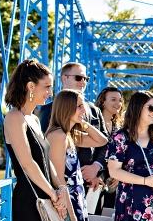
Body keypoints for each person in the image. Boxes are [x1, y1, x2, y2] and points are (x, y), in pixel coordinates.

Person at [3, 59, 68, 221]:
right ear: (30, 86)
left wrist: (60, 189)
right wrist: (53, 194)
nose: (50, 92)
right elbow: (28, 163)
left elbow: (46, 160)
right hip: (29, 202)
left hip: (44, 196)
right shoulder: (14, 117)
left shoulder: (33, 119)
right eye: (47, 87)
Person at [105, 91, 153, 221]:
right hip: (131, 200)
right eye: (151, 108)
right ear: (137, 108)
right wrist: (145, 181)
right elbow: (114, 171)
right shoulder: (120, 137)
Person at [39, 62, 108, 197]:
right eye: (78, 78)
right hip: (64, 186)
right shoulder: (50, 113)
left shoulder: (93, 110)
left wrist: (96, 168)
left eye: (86, 79)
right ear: (64, 78)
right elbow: (44, 148)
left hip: (89, 182)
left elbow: (105, 141)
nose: (83, 82)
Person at [45, 89, 109, 221]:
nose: (84, 110)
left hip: (77, 198)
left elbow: (102, 141)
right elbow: (59, 179)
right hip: (68, 203)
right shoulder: (58, 135)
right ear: (66, 108)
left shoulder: (69, 135)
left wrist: (83, 123)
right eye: (79, 106)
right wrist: (71, 216)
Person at [94, 86, 124, 211]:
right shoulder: (94, 123)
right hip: (95, 179)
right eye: (113, 99)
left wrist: (118, 174)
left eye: (120, 100)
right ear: (103, 102)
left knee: (108, 215)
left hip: (111, 181)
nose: (118, 103)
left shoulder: (118, 126)